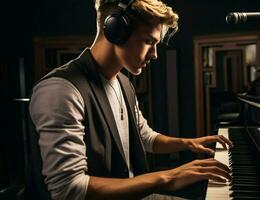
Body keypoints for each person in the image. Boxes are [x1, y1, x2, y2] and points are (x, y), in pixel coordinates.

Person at [28, 0, 233, 199]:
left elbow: (145, 137)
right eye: (149, 41)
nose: (155, 55)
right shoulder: (61, 90)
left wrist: (188, 143)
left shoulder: (124, 83)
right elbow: (69, 189)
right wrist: (169, 176)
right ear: (116, 30)